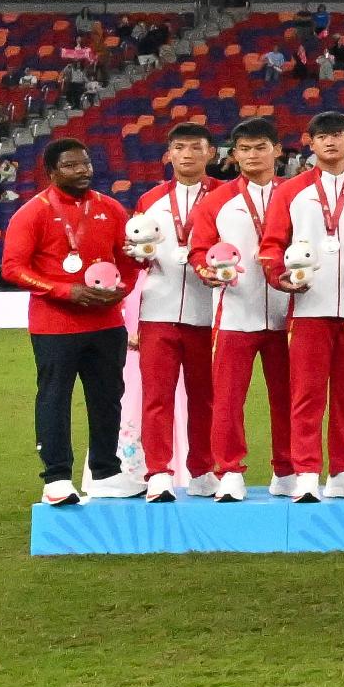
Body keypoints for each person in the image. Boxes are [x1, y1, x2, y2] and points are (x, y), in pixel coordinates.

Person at [260, 110, 344, 502]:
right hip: (309, 306)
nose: (330, 142)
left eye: (337, 135)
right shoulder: (290, 191)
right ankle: (306, 472)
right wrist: (280, 277)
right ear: (310, 144)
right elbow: (271, 246)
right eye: (321, 136)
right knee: (307, 395)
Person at [5, 138, 131, 506]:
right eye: (72, 165)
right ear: (52, 171)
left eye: (86, 163)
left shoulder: (110, 207)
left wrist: (121, 290)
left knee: (108, 397)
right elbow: (13, 268)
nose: (83, 171)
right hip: (55, 325)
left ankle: (106, 471)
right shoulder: (32, 212)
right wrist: (65, 291)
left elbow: (128, 258)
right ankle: (57, 478)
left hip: (107, 322)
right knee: (55, 397)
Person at [191, 117, 293, 501]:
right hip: (234, 312)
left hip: (289, 312)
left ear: (277, 150)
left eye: (260, 147)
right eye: (244, 149)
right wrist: (206, 272)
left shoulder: (295, 193)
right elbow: (200, 250)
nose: (253, 155)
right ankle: (230, 469)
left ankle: (287, 469)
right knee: (229, 397)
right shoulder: (216, 201)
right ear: (233, 156)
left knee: (289, 396)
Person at [126, 120, 221, 502]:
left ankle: (202, 470)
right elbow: (134, 257)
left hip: (209, 312)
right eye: (179, 147)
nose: (187, 154)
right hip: (158, 311)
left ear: (210, 153)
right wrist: (134, 255)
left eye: (196, 147)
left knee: (206, 398)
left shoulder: (226, 197)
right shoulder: (149, 200)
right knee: (157, 397)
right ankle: (159, 472)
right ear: (168, 154)